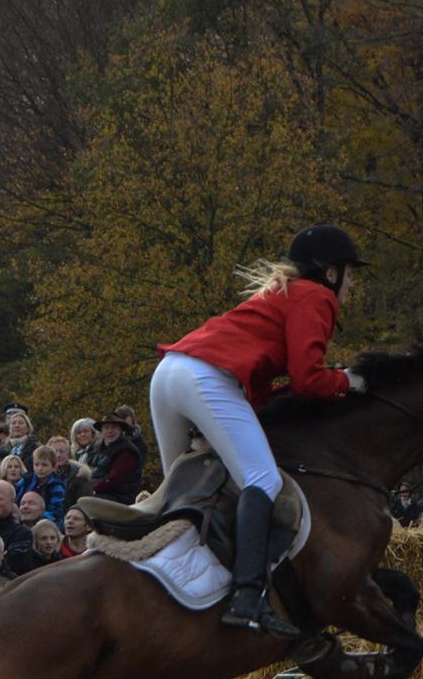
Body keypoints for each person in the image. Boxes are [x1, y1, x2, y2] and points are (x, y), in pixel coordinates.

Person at [150, 226, 367, 636]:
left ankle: (168, 586)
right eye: (349, 273)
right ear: (330, 272)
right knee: (263, 481)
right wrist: (348, 382)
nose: (351, 283)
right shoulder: (315, 296)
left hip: (168, 375)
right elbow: (309, 380)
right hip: (205, 378)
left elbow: (268, 391)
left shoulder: (278, 296)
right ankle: (248, 596)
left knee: (178, 494)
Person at [88, 413, 145, 505]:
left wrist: (91, 488)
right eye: (106, 427)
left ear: (121, 430)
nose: (110, 431)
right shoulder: (99, 448)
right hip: (103, 492)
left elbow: (114, 480)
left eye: (113, 427)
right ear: (101, 431)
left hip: (120, 497)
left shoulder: (126, 451)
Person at [16, 445, 66, 528]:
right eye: (36, 464)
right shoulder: (26, 481)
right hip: (23, 519)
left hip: (48, 522)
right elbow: (15, 497)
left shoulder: (56, 486)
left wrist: (39, 519)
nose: (40, 468)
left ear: (53, 467)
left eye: (44, 465)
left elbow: (56, 510)